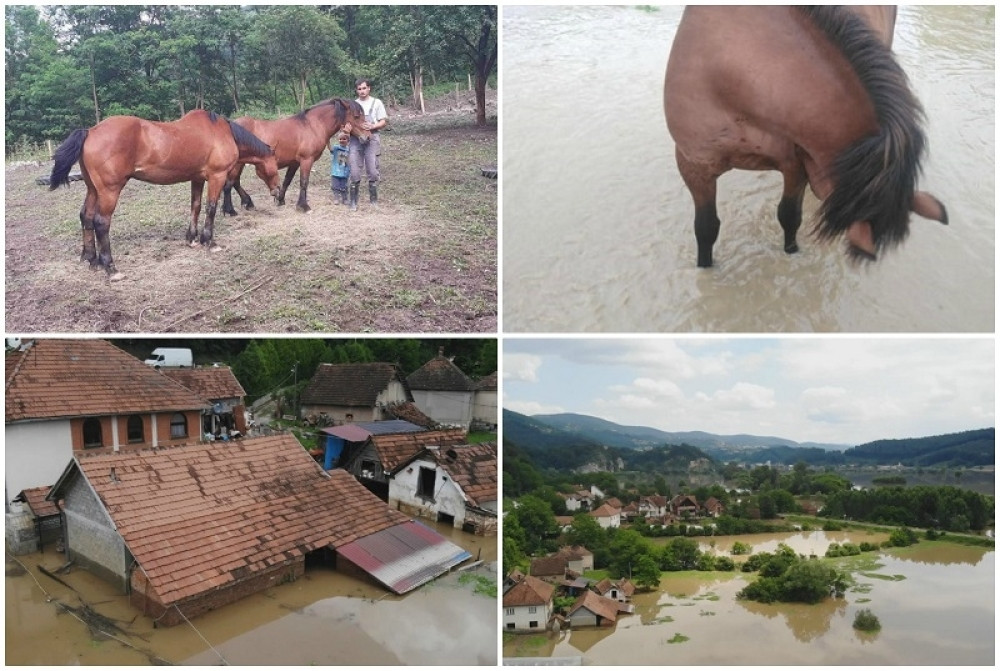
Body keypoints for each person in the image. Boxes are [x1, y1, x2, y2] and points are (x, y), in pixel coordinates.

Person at [348, 77, 388, 210]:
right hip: (355, 140)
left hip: (372, 138)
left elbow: (383, 121)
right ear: (356, 90)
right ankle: (353, 201)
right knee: (354, 170)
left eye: (364, 88)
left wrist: (372, 126)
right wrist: (347, 129)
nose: (362, 91)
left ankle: (373, 200)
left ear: (369, 88)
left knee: (372, 170)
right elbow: (347, 124)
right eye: (359, 89)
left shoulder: (377, 103)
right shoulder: (352, 105)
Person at [329, 131, 350, 205]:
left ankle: (345, 199)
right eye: (340, 139)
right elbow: (330, 149)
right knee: (335, 186)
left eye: (344, 139)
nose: (342, 140)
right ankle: (336, 198)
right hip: (335, 172)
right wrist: (327, 141)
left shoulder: (349, 150)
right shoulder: (336, 148)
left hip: (345, 172)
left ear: (348, 141)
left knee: (344, 186)